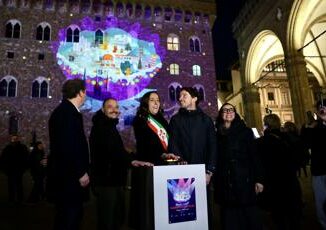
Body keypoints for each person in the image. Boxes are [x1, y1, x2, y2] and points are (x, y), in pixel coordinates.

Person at [89, 98, 153, 230]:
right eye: (110, 107)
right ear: (103, 110)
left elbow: (117, 151)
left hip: (114, 180)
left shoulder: (109, 126)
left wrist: (131, 157)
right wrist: (132, 160)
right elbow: (113, 151)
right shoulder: (102, 127)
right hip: (106, 181)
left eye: (116, 107)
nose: (114, 110)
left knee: (116, 219)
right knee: (108, 221)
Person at [168, 87, 217, 229]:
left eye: (184, 95)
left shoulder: (206, 120)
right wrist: (179, 161)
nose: (180, 98)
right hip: (181, 175)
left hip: (202, 173)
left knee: (203, 210)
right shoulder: (175, 120)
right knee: (183, 210)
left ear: (194, 98)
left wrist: (209, 171)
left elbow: (212, 146)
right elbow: (173, 144)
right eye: (180, 96)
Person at [129, 91, 178, 230]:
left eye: (158, 100)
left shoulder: (162, 120)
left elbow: (167, 143)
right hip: (148, 169)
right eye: (152, 100)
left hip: (163, 167)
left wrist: (169, 154)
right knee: (148, 211)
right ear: (146, 103)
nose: (156, 103)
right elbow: (145, 145)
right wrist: (161, 154)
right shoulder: (140, 120)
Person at [47, 79, 90, 230]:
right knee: (70, 219)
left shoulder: (63, 111)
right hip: (69, 179)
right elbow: (69, 146)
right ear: (80, 92)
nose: (85, 96)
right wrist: (81, 172)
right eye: (85, 92)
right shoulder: (68, 113)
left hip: (65, 177)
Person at [214, 103, 264, 230]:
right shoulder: (217, 134)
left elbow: (254, 156)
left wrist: (259, 179)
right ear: (221, 114)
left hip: (244, 180)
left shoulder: (245, 131)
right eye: (225, 110)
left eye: (231, 110)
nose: (228, 112)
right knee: (230, 219)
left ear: (235, 113)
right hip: (225, 182)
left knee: (248, 217)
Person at [256, 114, 302, 230]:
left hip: (273, 184)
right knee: (293, 216)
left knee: (279, 217)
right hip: (290, 181)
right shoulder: (289, 138)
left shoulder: (261, 142)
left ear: (266, 125)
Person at [301, 99, 326, 229]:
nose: (324, 110)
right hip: (320, 170)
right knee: (321, 201)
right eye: (321, 108)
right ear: (317, 111)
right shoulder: (314, 127)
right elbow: (304, 144)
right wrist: (308, 128)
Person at [0, 135, 29, 204]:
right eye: (13, 138)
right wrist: (5, 168)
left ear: (17, 139)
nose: (14, 140)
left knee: (18, 184)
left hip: (18, 169)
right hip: (10, 169)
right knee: (11, 184)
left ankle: (19, 198)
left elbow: (26, 158)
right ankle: (12, 198)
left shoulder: (22, 147)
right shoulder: (8, 148)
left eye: (15, 138)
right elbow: (3, 158)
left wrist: (24, 168)